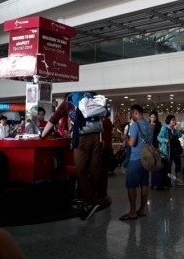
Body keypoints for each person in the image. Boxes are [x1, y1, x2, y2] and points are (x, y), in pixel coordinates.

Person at [40, 92, 108, 220]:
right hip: (98, 137)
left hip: (81, 139)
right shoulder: (90, 99)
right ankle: (99, 197)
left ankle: (89, 203)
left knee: (81, 171)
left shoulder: (67, 104)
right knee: (95, 170)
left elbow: (53, 120)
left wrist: (42, 136)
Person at [119, 104, 152, 220]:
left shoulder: (134, 125)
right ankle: (142, 209)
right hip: (147, 159)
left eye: (132, 114)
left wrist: (125, 138)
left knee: (131, 185)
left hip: (136, 158)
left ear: (136, 113)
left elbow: (132, 143)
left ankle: (133, 211)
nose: (131, 116)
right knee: (144, 184)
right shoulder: (148, 125)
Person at [158, 115, 184, 187]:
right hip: (168, 150)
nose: (174, 121)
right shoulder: (164, 128)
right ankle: (168, 182)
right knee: (168, 167)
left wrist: (176, 129)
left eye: (175, 120)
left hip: (176, 150)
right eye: (173, 120)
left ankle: (178, 180)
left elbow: (180, 135)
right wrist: (165, 140)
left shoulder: (175, 128)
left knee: (178, 165)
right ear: (169, 121)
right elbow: (159, 137)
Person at [101, 111, 114, 177]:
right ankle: (108, 169)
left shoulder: (104, 122)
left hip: (105, 141)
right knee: (108, 155)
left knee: (105, 156)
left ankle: (105, 169)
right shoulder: (109, 121)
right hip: (108, 140)